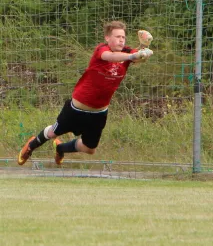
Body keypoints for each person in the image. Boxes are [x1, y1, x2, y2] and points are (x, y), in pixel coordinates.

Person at [17, 20, 153, 166]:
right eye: (117, 36)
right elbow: (111, 57)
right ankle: (31, 145)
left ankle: (60, 148)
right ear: (107, 38)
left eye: (123, 37)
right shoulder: (102, 50)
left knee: (89, 149)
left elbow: (139, 57)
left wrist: (144, 48)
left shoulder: (127, 53)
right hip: (77, 108)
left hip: (99, 112)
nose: (121, 40)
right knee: (52, 133)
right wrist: (132, 56)